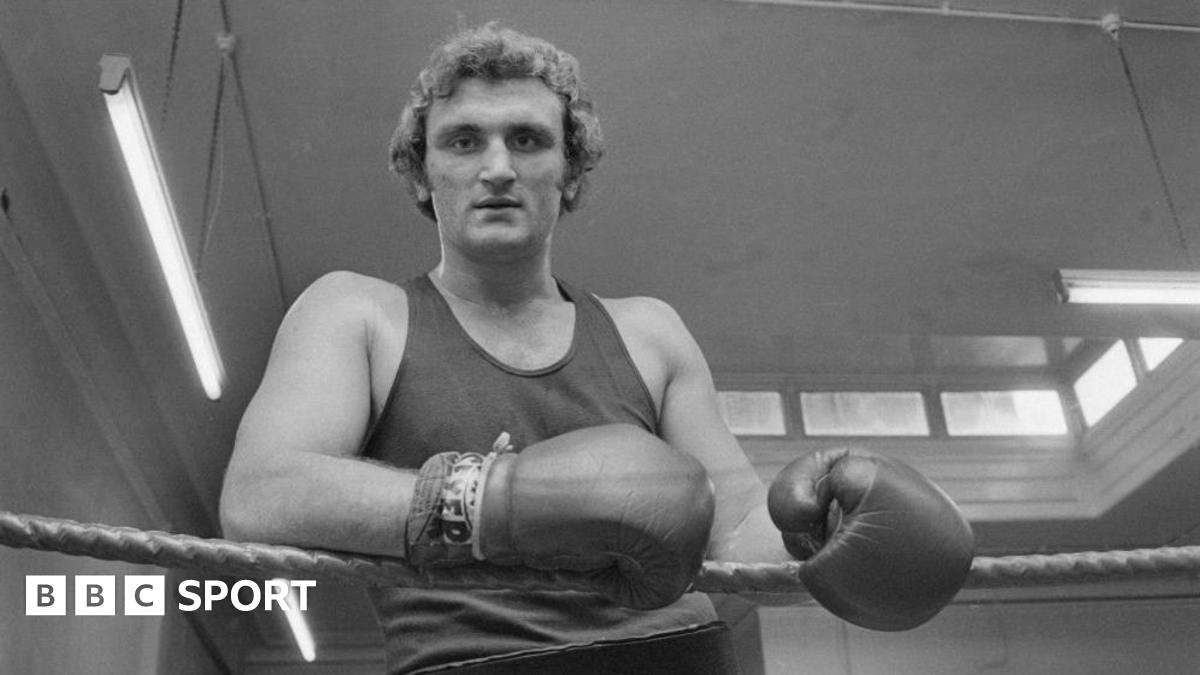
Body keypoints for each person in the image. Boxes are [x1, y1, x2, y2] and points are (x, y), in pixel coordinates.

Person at [220, 23, 973, 674]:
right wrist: (499, 500)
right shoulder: (358, 313)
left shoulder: (649, 330)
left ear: (570, 169)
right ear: (423, 172)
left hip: (678, 654)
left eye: (527, 139)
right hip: (472, 663)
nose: (497, 168)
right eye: (462, 140)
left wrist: (825, 531)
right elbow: (262, 493)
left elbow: (736, 529)